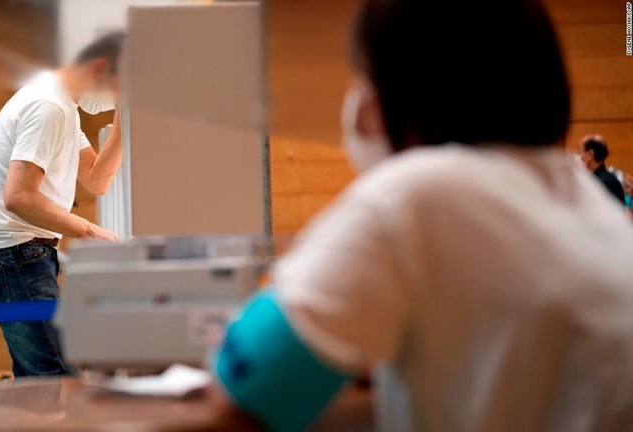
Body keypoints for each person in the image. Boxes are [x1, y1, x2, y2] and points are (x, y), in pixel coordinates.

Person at [209, 0, 633, 431]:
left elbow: (247, 390)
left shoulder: (416, 195)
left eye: (365, 76)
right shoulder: (588, 201)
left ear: (404, 90)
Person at [0, 33, 124, 377]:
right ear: (98, 67)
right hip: (14, 256)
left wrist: (126, 119)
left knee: (37, 386)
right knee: (58, 381)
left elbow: (97, 179)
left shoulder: (63, 108)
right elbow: (18, 196)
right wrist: (88, 230)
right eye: (117, 87)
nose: (115, 97)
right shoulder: (49, 106)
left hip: (23, 256)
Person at [577, 134, 627, 205]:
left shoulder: (601, 183)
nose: (579, 157)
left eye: (580, 152)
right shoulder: (602, 179)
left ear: (590, 154)